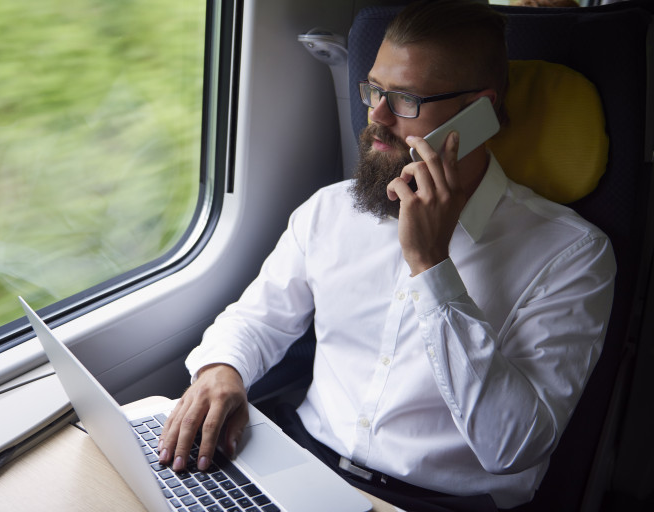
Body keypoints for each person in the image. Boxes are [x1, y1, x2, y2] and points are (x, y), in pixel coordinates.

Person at [158, 0, 616, 510]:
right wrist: (222, 369)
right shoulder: (330, 210)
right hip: (304, 465)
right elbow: (257, 320)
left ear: (477, 112)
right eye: (374, 88)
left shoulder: (573, 255)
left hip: (438, 502)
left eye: (404, 100)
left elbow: (511, 446)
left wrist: (432, 267)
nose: (374, 116)